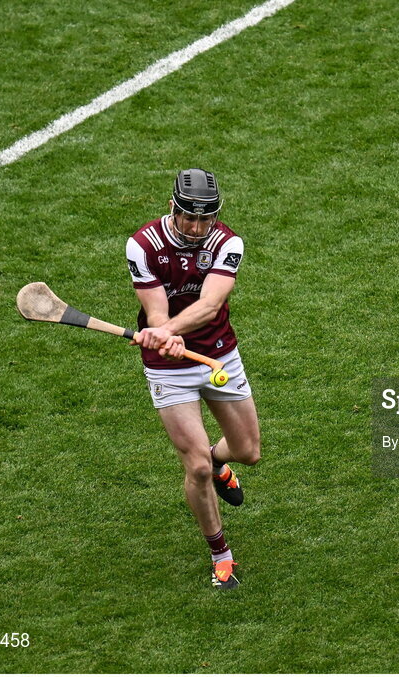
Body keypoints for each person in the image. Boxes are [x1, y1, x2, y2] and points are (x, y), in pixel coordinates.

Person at [126, 168, 261, 588]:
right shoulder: (143, 245)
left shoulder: (228, 243)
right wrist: (161, 331)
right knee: (196, 466)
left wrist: (166, 332)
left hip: (218, 355)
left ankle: (223, 463)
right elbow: (156, 312)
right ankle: (221, 554)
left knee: (248, 451)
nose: (198, 227)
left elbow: (209, 304)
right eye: (189, 218)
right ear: (172, 208)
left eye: (206, 219)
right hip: (168, 368)